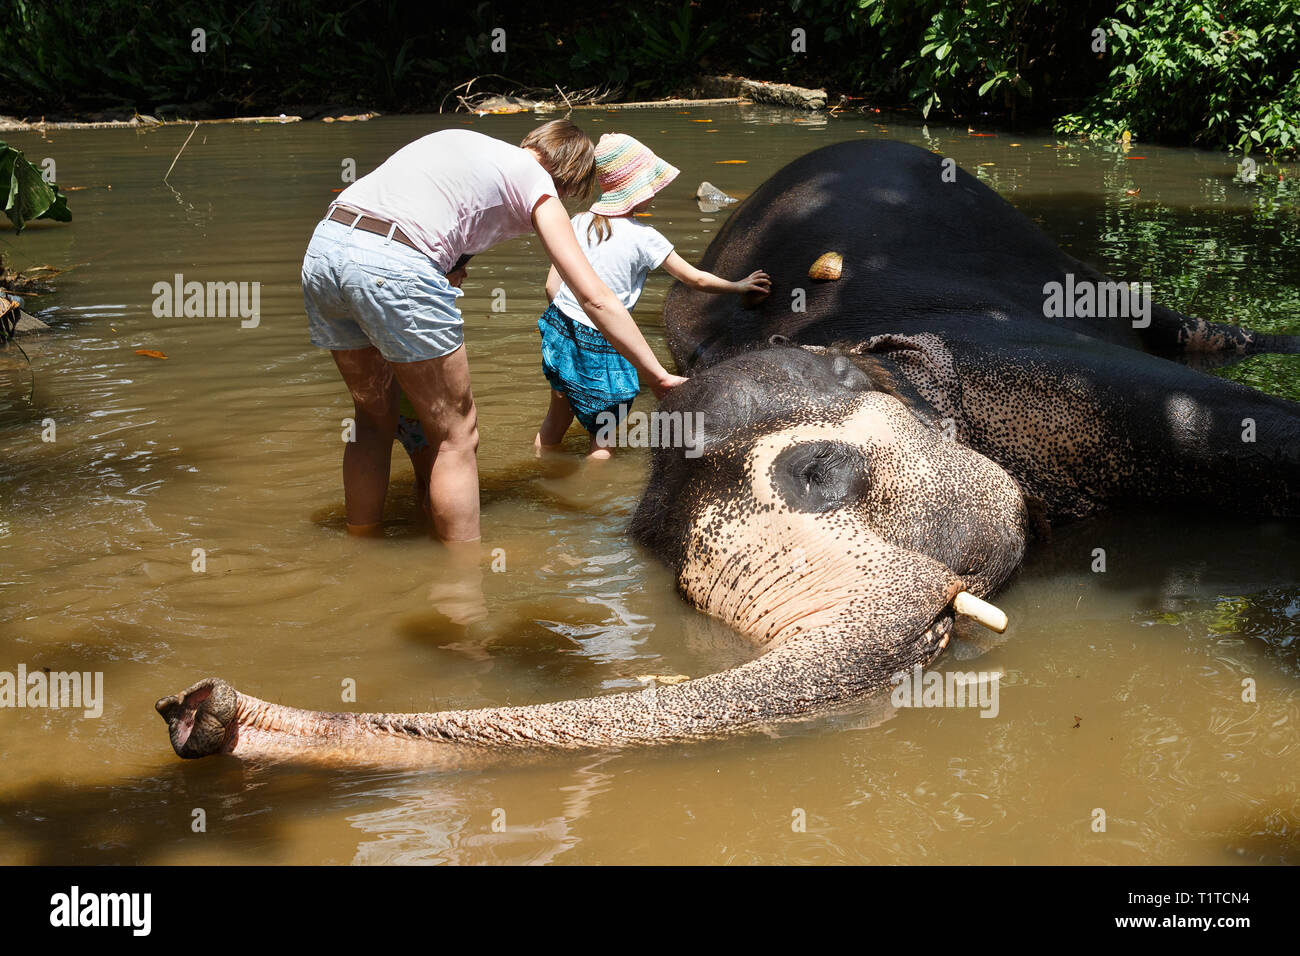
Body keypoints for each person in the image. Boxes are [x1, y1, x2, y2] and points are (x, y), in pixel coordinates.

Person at [301, 120, 687, 542]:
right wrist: (658, 375)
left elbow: (424, 210)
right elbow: (595, 297)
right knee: (456, 436)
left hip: (326, 250)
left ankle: (361, 546)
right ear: (569, 181)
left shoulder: (464, 141)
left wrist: (446, 267)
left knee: (372, 420)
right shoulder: (538, 185)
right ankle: (464, 584)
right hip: (392, 265)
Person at [534, 133, 770, 459]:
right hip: (605, 339)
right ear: (638, 189)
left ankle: (545, 477)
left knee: (553, 425)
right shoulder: (645, 238)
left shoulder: (576, 222)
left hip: (561, 327)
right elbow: (695, 278)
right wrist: (738, 285)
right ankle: (594, 502)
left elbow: (551, 287)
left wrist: (571, 325)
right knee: (602, 437)